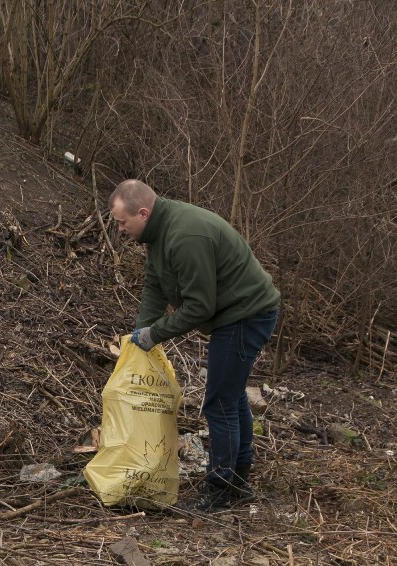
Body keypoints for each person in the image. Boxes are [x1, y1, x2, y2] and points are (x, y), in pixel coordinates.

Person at [109, 179, 280, 513]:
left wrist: (155, 334)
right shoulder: (157, 233)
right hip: (232, 315)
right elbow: (156, 285)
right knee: (229, 396)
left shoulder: (185, 236)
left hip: (246, 315)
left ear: (143, 213)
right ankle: (238, 483)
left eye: (122, 222)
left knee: (219, 403)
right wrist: (140, 330)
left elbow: (199, 307)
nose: (120, 229)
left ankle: (221, 489)